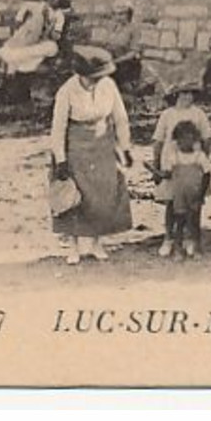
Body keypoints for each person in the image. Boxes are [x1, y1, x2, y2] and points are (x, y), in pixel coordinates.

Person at [50, 46, 133, 265]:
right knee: (76, 197)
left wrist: (125, 147)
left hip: (103, 146)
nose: (96, 81)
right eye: (91, 78)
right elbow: (58, 129)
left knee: (102, 194)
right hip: (76, 146)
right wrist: (61, 160)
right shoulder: (66, 91)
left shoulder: (109, 86)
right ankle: (74, 245)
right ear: (81, 75)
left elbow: (121, 118)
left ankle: (96, 242)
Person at [156, 119, 210, 259]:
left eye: (189, 138)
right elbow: (167, 173)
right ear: (177, 141)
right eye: (181, 139)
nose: (185, 142)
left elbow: (207, 175)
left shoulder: (200, 156)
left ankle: (195, 247)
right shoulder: (175, 156)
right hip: (179, 195)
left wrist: (202, 194)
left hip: (195, 193)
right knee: (179, 221)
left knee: (195, 221)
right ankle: (178, 248)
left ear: (195, 139)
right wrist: (159, 174)